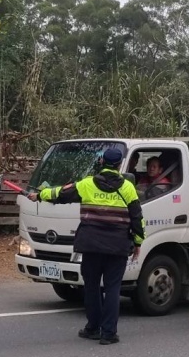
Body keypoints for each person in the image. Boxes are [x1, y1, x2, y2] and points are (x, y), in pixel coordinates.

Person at [28, 147, 144, 345]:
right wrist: (138, 242)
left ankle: (92, 328)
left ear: (102, 163)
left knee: (91, 288)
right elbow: (137, 218)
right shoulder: (127, 188)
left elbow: (60, 193)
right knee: (113, 289)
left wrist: (39, 196)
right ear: (119, 164)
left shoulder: (87, 184)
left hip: (91, 246)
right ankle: (108, 333)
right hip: (117, 248)